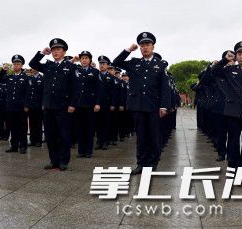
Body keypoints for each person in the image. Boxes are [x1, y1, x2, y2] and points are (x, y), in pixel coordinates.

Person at [112, 32, 172, 175]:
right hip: (137, 105)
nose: (145, 48)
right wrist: (128, 50)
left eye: (147, 45)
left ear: (153, 47)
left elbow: (165, 88)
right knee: (141, 137)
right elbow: (116, 63)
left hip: (153, 106)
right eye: (142, 45)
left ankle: (152, 164)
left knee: (154, 136)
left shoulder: (160, 65)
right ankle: (141, 163)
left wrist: (164, 106)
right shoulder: (134, 63)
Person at [29, 38, 79, 171]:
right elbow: (32, 63)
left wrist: (72, 104)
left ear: (64, 51)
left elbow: (75, 87)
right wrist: (41, 53)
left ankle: (63, 161)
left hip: (64, 107)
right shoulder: (48, 66)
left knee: (64, 135)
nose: (55, 52)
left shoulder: (71, 67)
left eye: (58, 49)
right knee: (50, 136)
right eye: (53, 50)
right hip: (49, 106)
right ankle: (53, 160)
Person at [0, 55, 30, 154]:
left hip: (21, 107)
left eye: (18, 64)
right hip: (10, 107)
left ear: (22, 65)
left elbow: (28, 92)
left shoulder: (26, 77)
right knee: (12, 127)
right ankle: (14, 145)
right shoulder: (9, 77)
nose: (16, 65)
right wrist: (3, 70)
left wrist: (27, 105)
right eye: (14, 64)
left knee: (22, 127)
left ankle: (23, 146)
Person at [71, 51, 101, 158]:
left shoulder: (95, 72)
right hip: (78, 104)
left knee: (89, 128)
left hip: (90, 104)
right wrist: (72, 60)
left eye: (86, 58)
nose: (84, 60)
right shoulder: (76, 70)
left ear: (90, 60)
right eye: (82, 58)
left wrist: (97, 103)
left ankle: (88, 151)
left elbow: (99, 89)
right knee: (79, 128)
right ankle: (81, 151)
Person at [95, 56, 116, 150]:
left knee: (106, 124)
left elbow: (113, 93)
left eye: (104, 64)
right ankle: (99, 142)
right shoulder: (95, 75)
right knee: (98, 124)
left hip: (107, 104)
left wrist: (112, 104)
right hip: (97, 104)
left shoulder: (111, 77)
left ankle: (105, 142)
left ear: (107, 65)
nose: (102, 65)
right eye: (100, 64)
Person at [26, 68, 44, 147]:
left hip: (39, 104)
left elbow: (44, 92)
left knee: (38, 123)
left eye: (35, 68)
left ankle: (38, 141)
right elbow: (27, 92)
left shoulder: (42, 78)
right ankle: (32, 140)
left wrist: (43, 104)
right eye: (32, 68)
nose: (34, 70)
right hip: (31, 104)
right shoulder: (29, 78)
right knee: (31, 123)